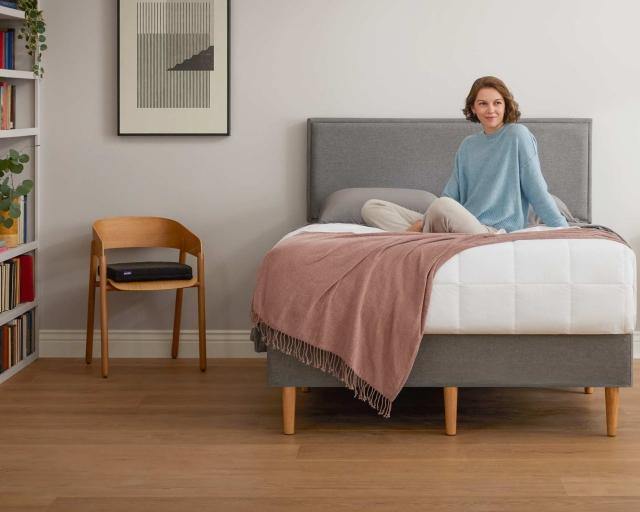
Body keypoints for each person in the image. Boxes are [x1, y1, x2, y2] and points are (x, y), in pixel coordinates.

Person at [361, 76, 569, 234]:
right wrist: (427, 220)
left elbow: (537, 191)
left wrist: (564, 231)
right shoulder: (468, 145)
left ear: (505, 105)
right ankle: (421, 236)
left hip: (490, 232)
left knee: (441, 206)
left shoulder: (518, 135)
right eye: (483, 103)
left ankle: (414, 237)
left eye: (497, 103)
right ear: (473, 108)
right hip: (461, 220)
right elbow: (451, 196)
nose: (491, 110)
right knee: (372, 207)